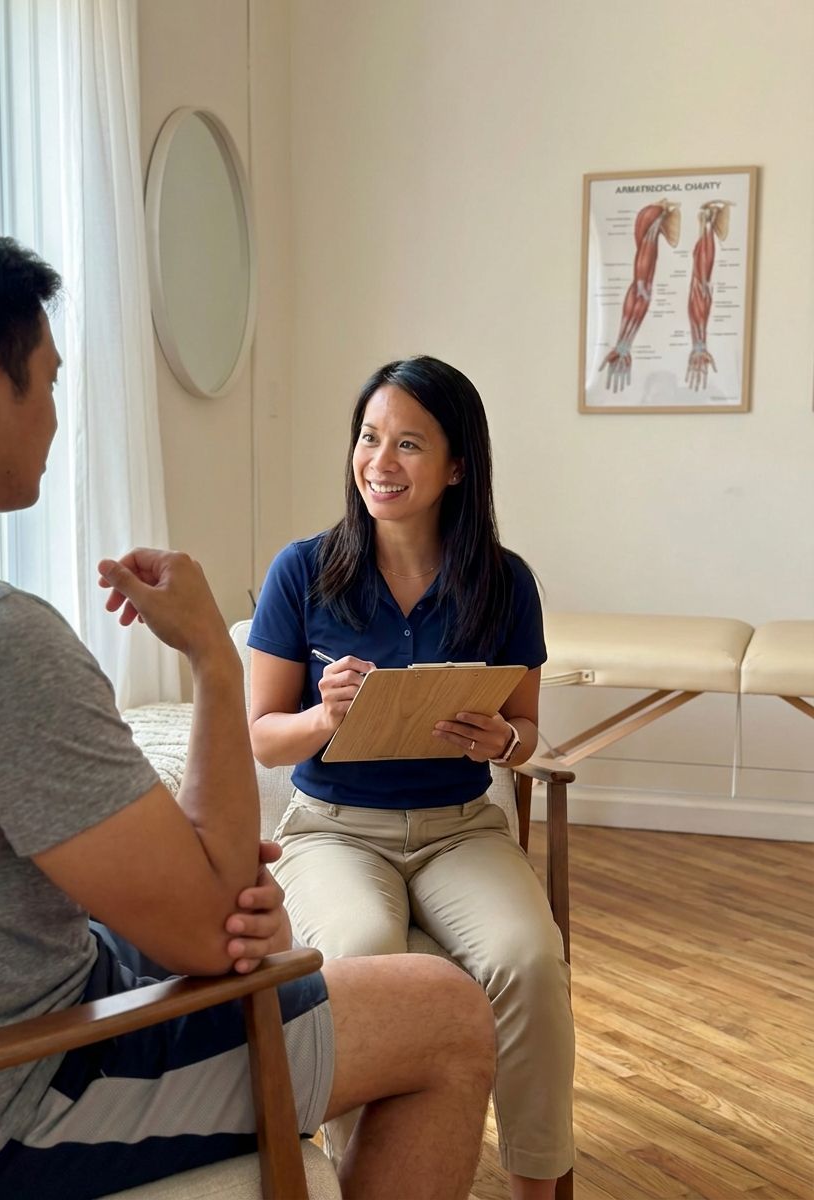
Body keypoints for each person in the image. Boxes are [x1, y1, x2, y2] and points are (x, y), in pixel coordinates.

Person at [0, 220, 497, 1200]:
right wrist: (209, 662)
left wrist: (202, 891)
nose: (58, 417)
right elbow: (213, 927)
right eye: (50, 382)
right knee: (443, 1012)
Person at [248, 355, 575, 1200]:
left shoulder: (505, 582)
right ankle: (377, 1182)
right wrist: (323, 719)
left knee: (530, 959)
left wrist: (501, 738)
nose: (379, 464)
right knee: (358, 957)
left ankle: (535, 1185)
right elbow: (263, 737)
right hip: (333, 832)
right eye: (368, 438)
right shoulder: (303, 569)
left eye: (408, 444)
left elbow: (529, 734)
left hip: (459, 828)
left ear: (458, 465)